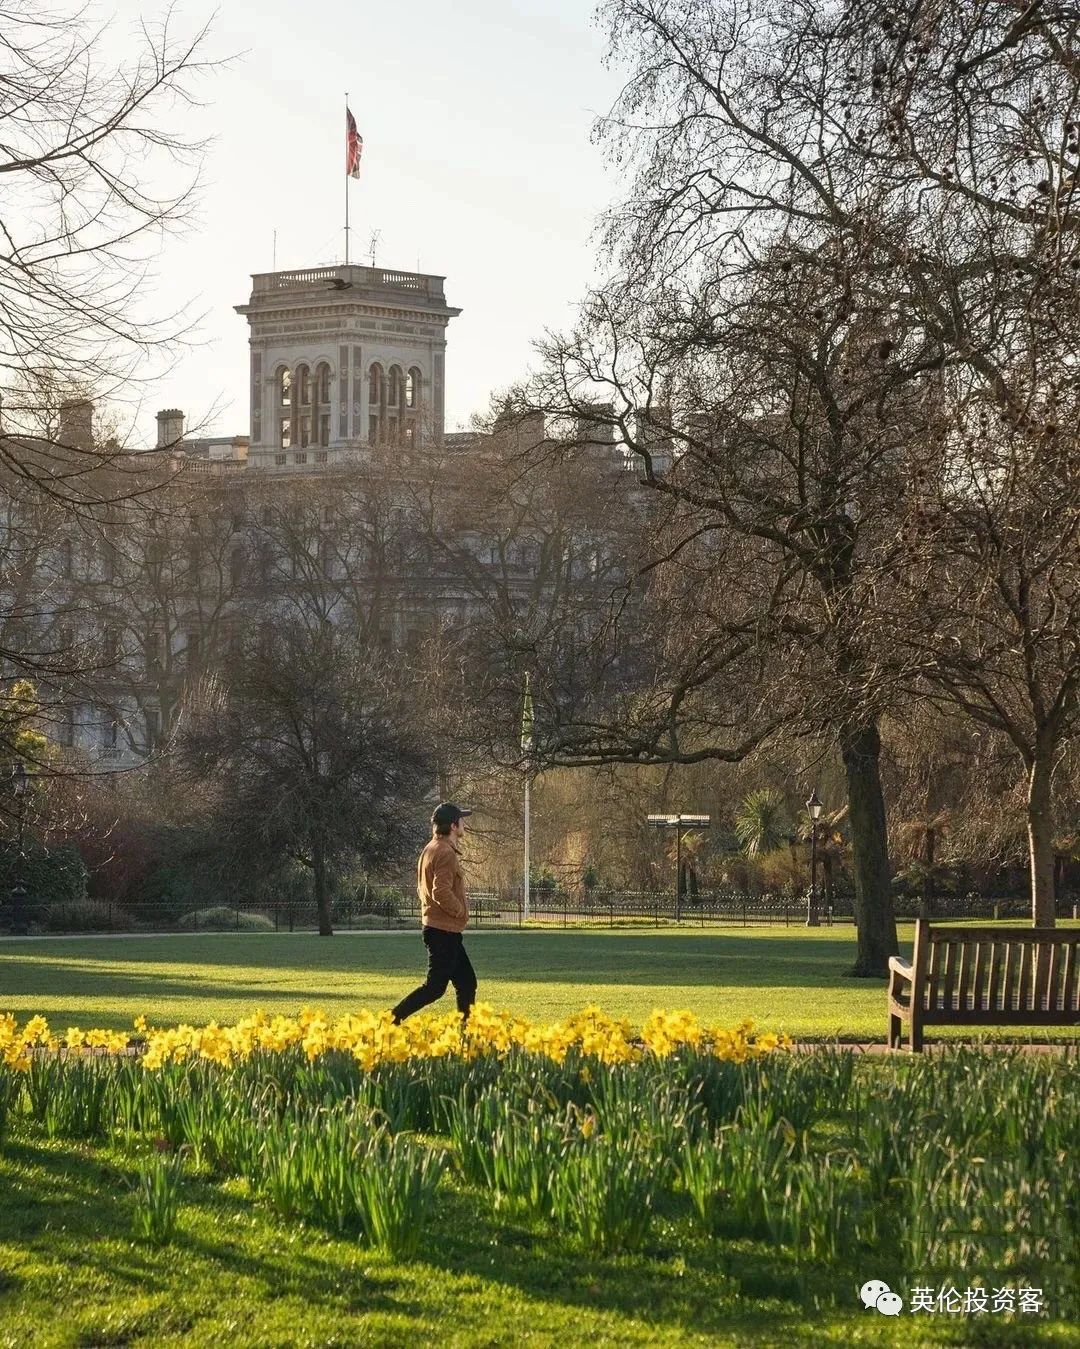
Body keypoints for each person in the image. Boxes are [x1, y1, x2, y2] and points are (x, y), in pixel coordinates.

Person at [390, 802, 477, 1024]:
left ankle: (468, 1031)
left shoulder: (429, 849)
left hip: (440, 928)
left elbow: (423, 889)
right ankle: (392, 1018)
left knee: (466, 982)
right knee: (435, 988)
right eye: (462, 820)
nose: (464, 824)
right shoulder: (445, 852)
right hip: (443, 930)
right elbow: (440, 891)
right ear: (453, 825)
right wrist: (460, 912)